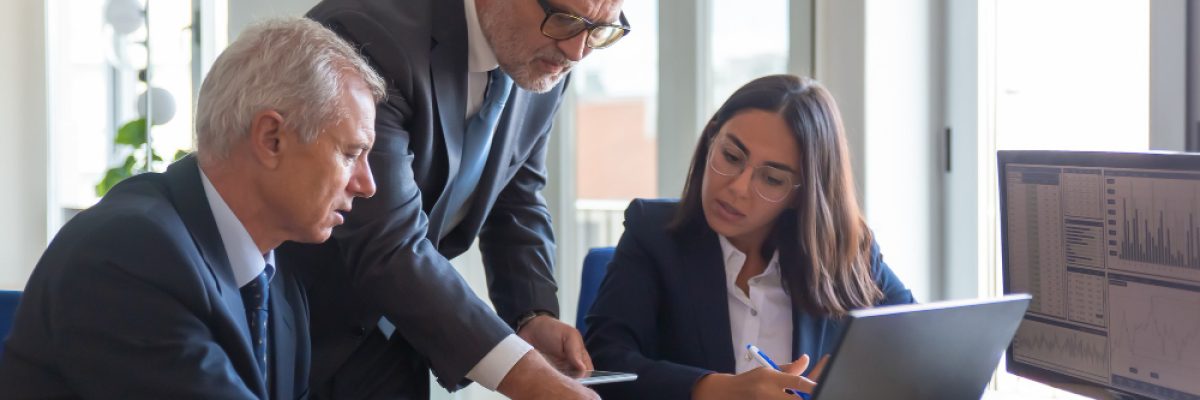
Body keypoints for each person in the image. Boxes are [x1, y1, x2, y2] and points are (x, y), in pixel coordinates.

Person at [0, 18, 385, 399]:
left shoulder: (280, 288)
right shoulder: (128, 252)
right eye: (352, 154)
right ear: (272, 139)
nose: (367, 185)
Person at [276, 0, 628, 398]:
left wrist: (532, 313)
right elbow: (386, 241)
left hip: (398, 333)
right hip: (296, 328)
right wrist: (525, 375)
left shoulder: (545, 60)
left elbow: (516, 195)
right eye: (564, 19)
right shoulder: (367, 34)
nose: (577, 51)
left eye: (600, 30)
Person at [582, 75, 916, 399]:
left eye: (771, 179)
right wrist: (714, 389)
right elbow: (605, 362)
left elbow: (923, 347)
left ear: (802, 194)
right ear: (712, 139)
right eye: (731, 156)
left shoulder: (846, 251)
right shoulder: (652, 233)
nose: (738, 188)